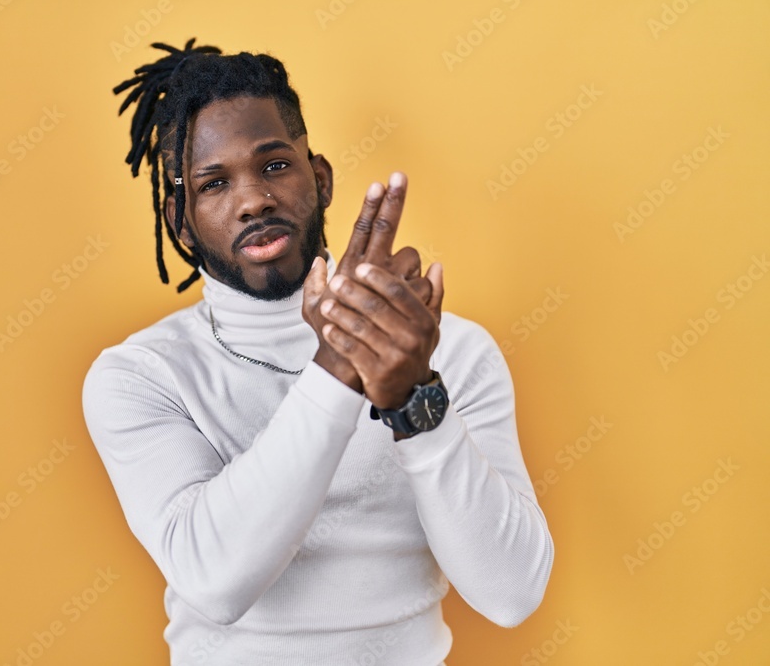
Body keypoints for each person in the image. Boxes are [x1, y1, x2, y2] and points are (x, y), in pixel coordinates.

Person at [82, 38, 554, 665]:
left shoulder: (450, 350)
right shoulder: (141, 376)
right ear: (180, 221)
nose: (253, 200)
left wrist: (414, 400)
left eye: (275, 165)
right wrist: (337, 368)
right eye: (214, 183)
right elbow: (214, 581)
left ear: (321, 178)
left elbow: (511, 593)